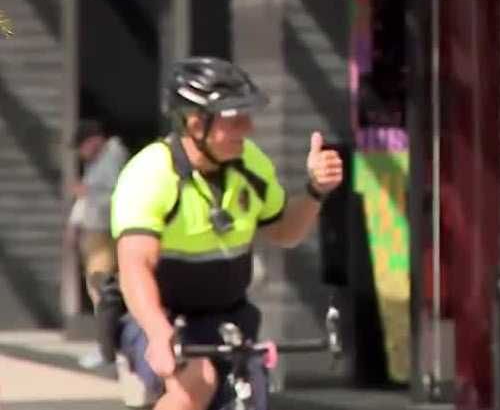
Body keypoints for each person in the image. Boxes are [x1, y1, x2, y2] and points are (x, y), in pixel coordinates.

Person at [111, 57, 344, 410]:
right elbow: (134, 266)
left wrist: (315, 191)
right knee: (197, 381)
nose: (247, 128)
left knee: (249, 396)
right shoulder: (150, 174)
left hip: (229, 318)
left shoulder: (251, 163)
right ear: (194, 122)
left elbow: (284, 232)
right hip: (159, 317)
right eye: (234, 119)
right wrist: (159, 333)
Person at [68, 118, 130, 368]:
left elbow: (118, 194)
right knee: (98, 289)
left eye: (82, 147)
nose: (81, 154)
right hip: (95, 232)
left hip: (106, 231)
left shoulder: (113, 158)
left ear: (93, 141)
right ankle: (107, 346)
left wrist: (87, 193)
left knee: (104, 289)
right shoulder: (100, 162)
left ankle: (108, 349)